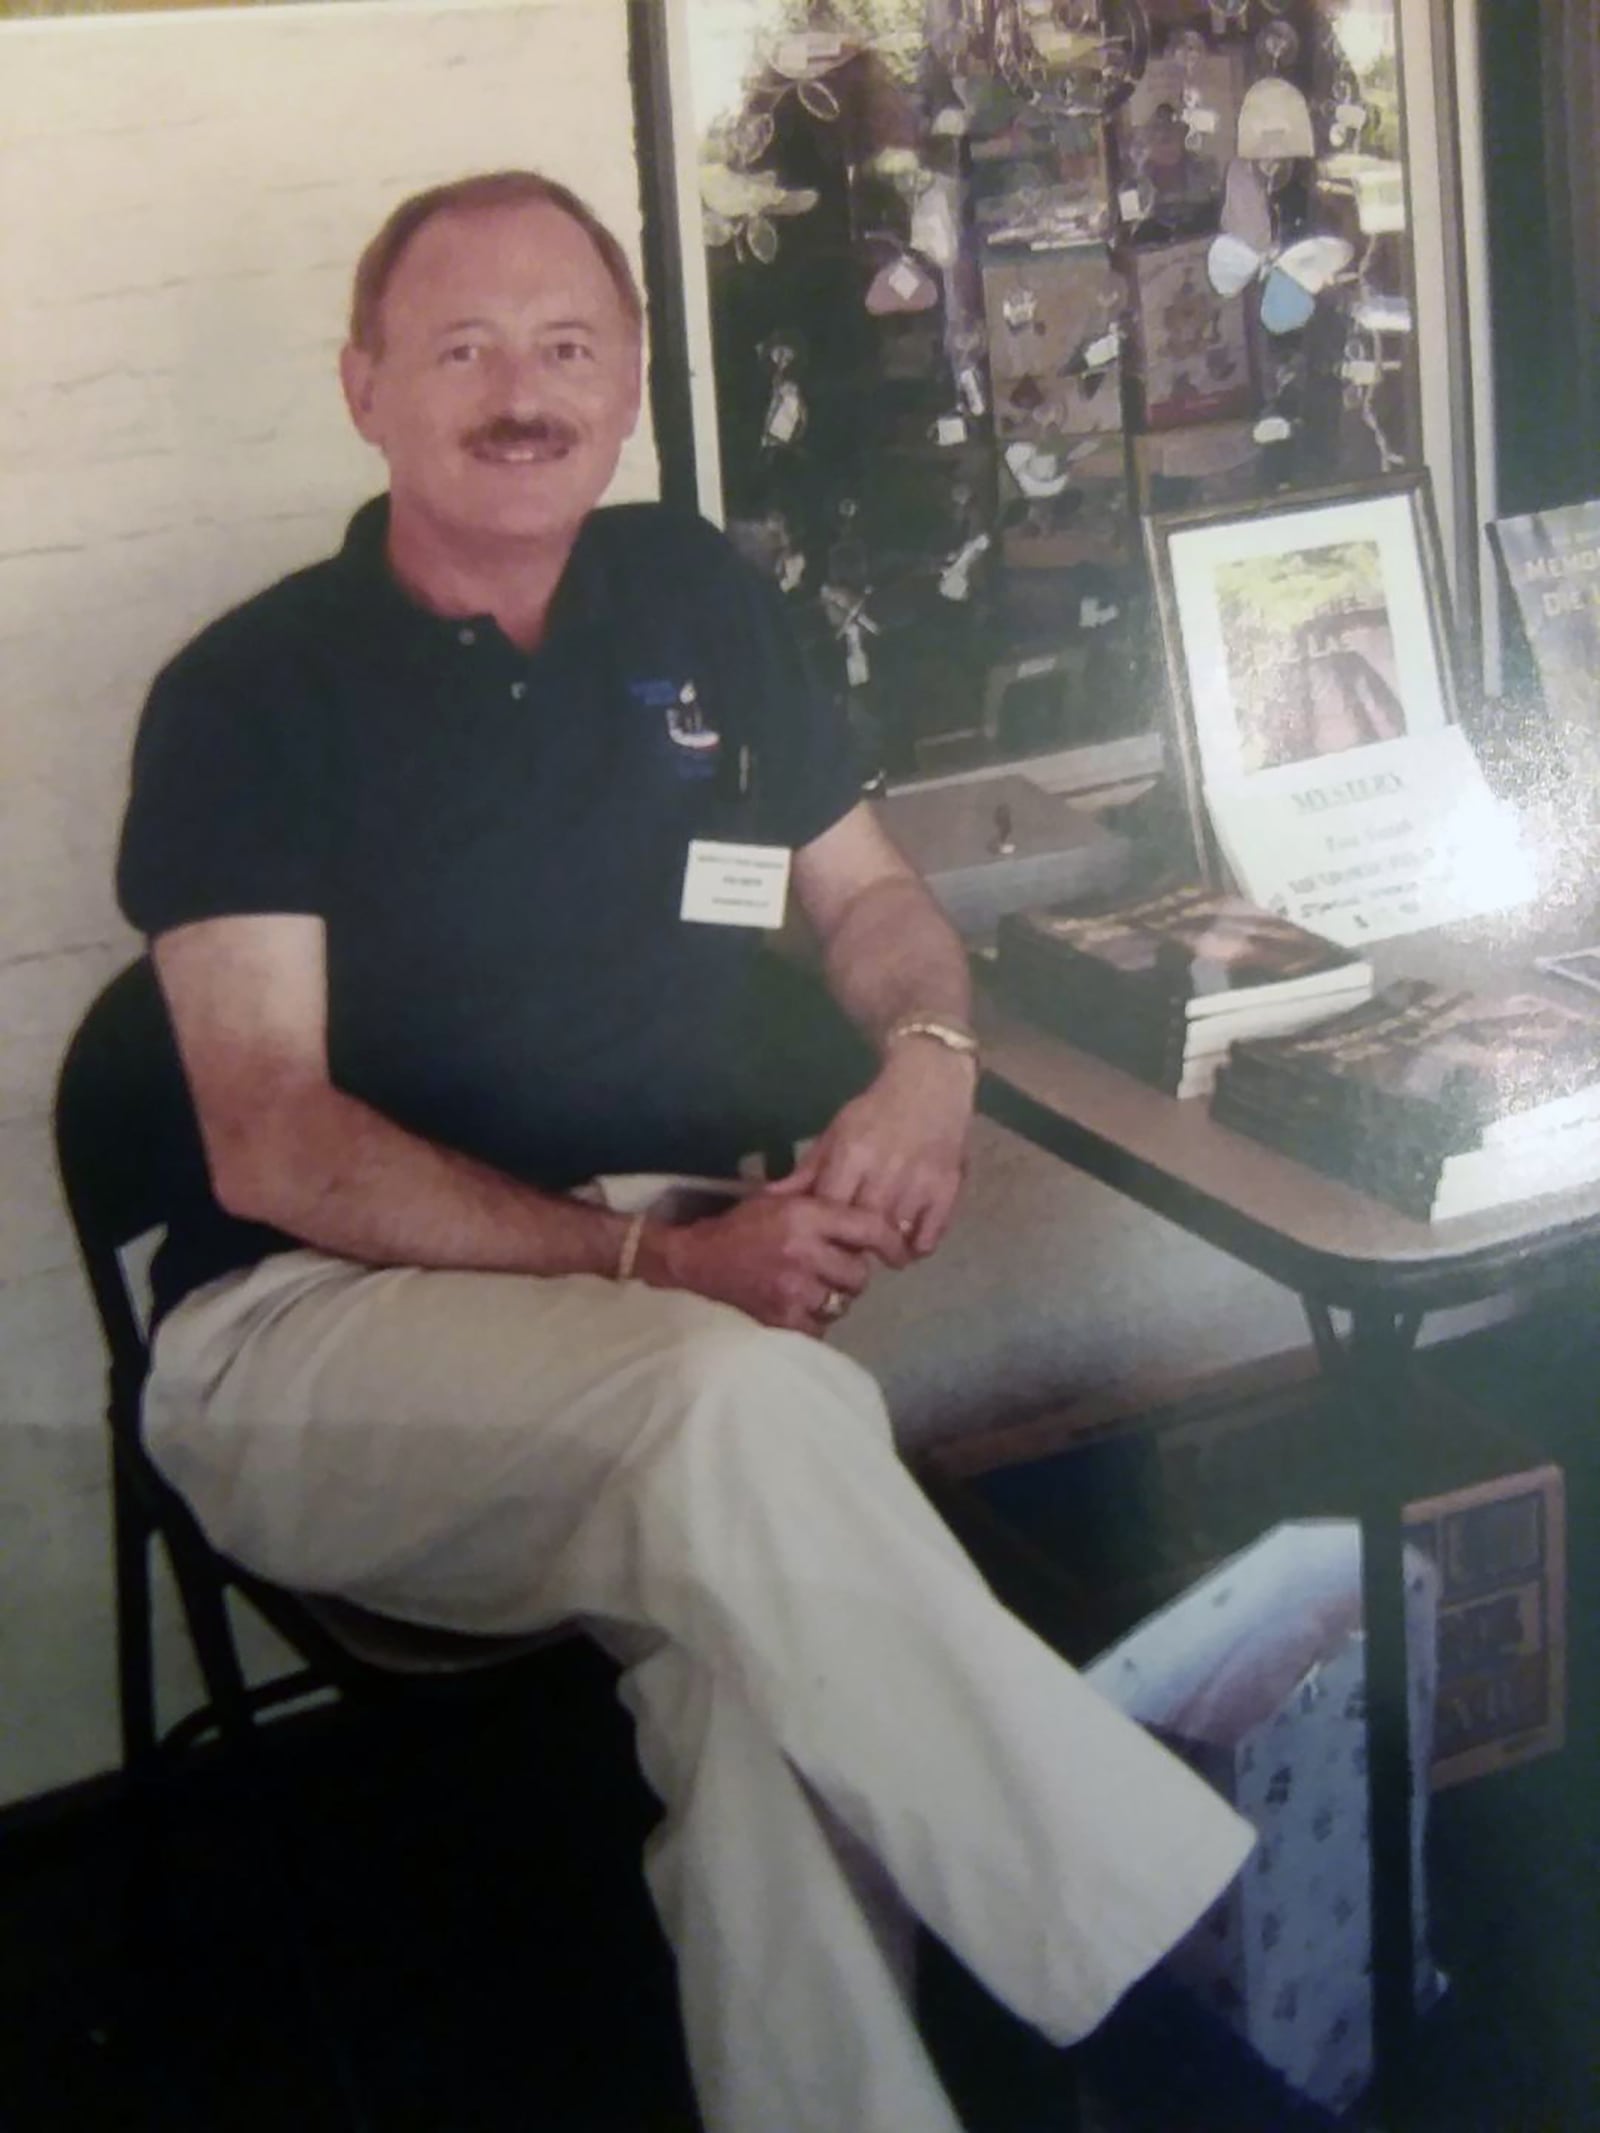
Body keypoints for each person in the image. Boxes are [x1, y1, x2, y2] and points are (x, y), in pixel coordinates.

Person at [115, 171, 1256, 2133]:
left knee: (755, 1641)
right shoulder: (252, 692)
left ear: (633, 381)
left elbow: (877, 904)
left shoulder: (693, 601)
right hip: (314, 1339)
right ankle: (1173, 1988)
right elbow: (275, 1140)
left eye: (567, 345)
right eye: (460, 347)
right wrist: (659, 1269)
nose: (520, 391)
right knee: (742, 1425)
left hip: (662, 1314)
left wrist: (922, 1059)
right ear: (361, 387)